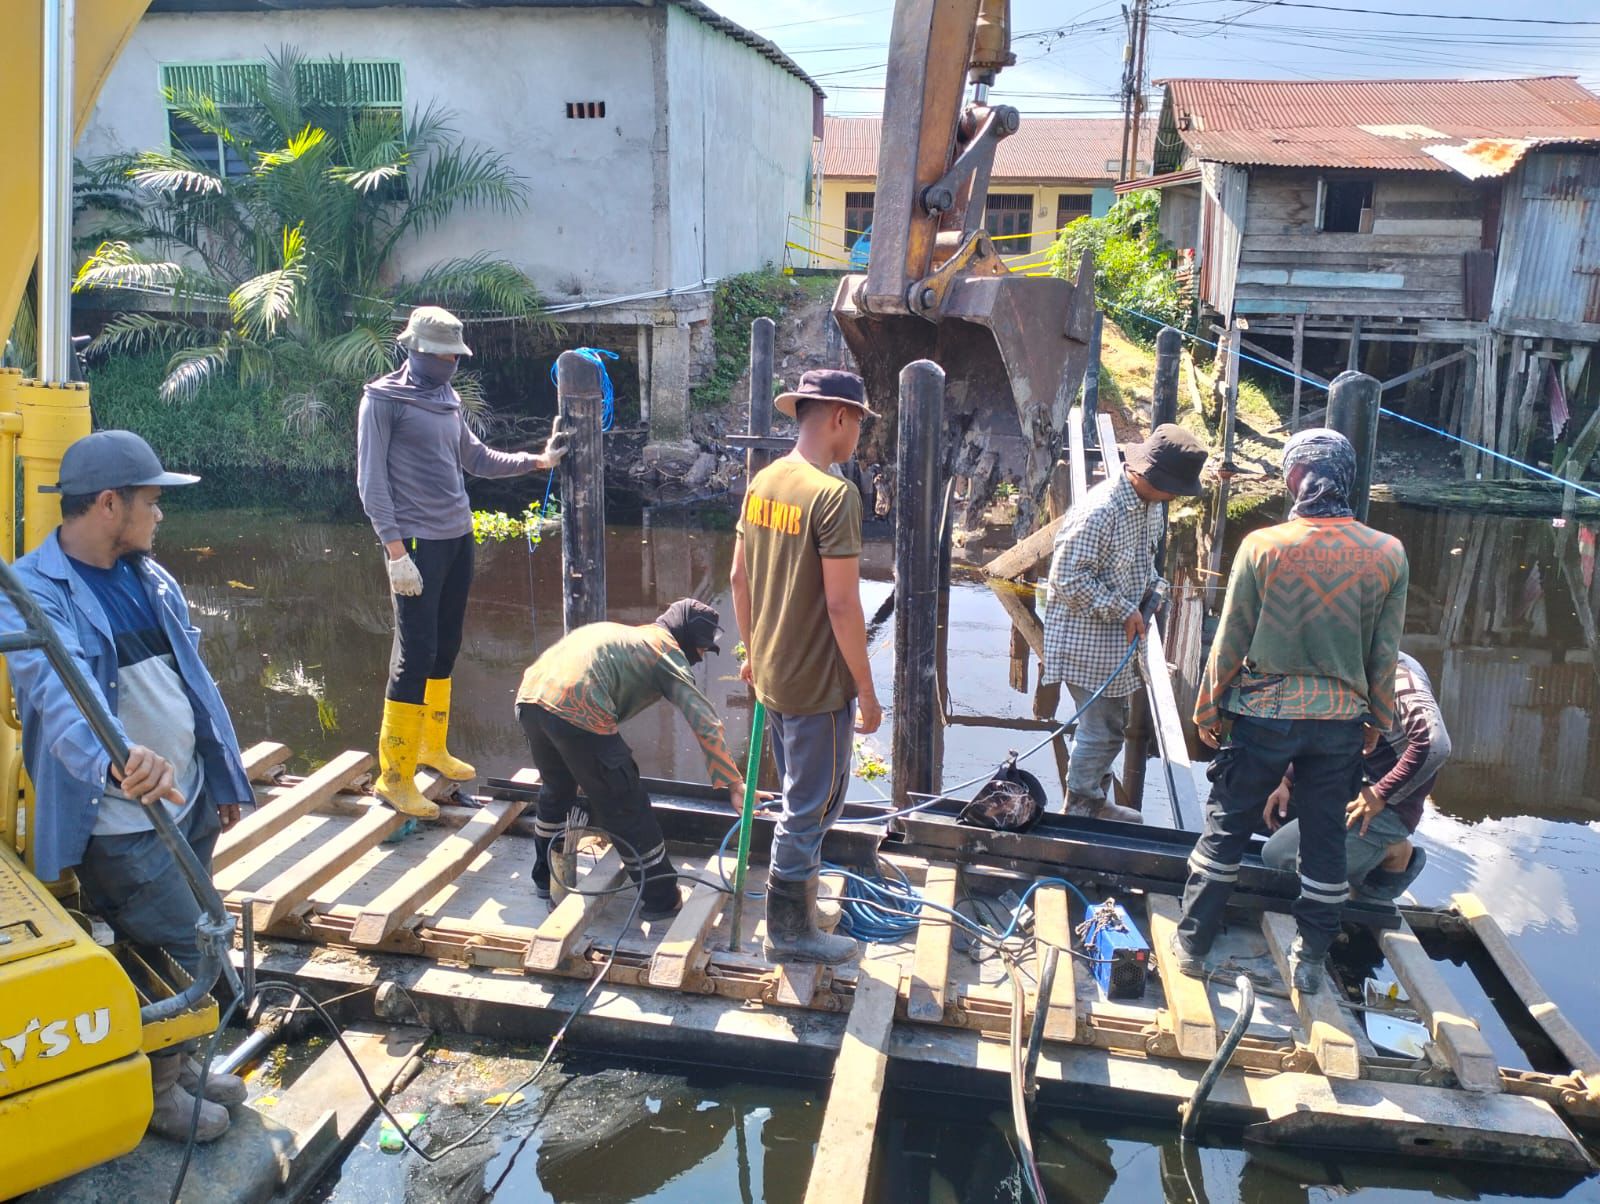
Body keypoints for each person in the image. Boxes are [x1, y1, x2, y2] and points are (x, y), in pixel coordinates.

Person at [1, 430, 255, 1143]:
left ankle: (181, 1063)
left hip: (186, 801)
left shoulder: (151, 576)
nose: (160, 514)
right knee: (190, 948)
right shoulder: (32, 593)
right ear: (109, 504)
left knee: (183, 939)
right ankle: (161, 1093)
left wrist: (220, 775)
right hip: (121, 820)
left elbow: (192, 683)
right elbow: (58, 694)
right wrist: (120, 758)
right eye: (151, 500)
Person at [1173, 429, 1409, 994]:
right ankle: (1310, 961)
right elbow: (1385, 653)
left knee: (1228, 827)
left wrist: (1207, 707)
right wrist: (1377, 722)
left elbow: (1231, 638)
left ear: (1296, 477)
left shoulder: (1263, 546)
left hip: (1263, 715)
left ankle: (1193, 946)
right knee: (1326, 840)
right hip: (1340, 723)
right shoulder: (1388, 553)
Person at [358, 305, 569, 820]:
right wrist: (395, 552)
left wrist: (537, 461)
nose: (452, 363)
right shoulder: (383, 401)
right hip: (415, 543)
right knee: (414, 653)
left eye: (456, 356)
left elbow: (475, 458)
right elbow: (371, 482)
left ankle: (430, 748)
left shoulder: (445, 398)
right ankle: (394, 776)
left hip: (457, 536)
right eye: (444, 355)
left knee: (446, 646)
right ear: (417, 350)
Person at [730, 368, 880, 967]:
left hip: (773, 675)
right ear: (841, 416)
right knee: (812, 805)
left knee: (799, 794)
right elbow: (843, 605)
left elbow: (738, 578)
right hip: (818, 686)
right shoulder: (834, 496)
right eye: (859, 423)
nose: (859, 436)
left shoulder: (764, 481)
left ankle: (797, 908)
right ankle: (789, 929)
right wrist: (866, 690)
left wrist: (752, 652)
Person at [516, 599, 745, 920]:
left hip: (530, 698)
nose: (701, 656)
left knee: (558, 789)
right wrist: (734, 783)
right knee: (625, 802)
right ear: (686, 637)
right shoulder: (666, 652)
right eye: (702, 649)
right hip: (578, 707)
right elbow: (704, 720)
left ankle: (545, 878)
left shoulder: (627, 635)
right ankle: (661, 898)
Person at [1041, 424, 1208, 823]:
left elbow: (1141, 563)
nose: (1175, 496)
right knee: (1101, 731)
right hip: (1085, 641)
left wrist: (1153, 588)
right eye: (1174, 488)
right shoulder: (1101, 512)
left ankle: (1094, 799)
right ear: (1151, 476)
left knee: (1110, 726)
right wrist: (1122, 609)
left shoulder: (1150, 508)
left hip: (1115, 641)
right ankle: (1081, 808)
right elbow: (1066, 579)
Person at [1261, 651, 1445, 906]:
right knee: (1254, 796)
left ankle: (1392, 853)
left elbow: (1436, 745)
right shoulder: (1340, 662)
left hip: (1384, 804)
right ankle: (1355, 854)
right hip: (1344, 784)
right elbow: (1326, 731)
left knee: (1280, 859)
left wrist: (1381, 793)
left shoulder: (1400, 677)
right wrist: (1287, 780)